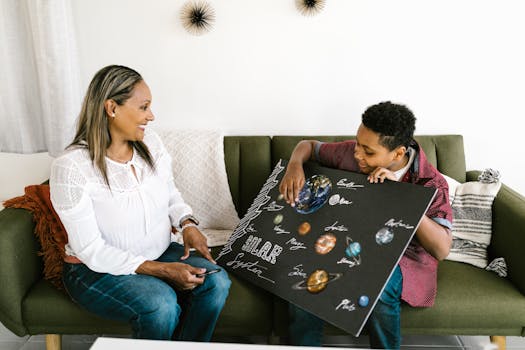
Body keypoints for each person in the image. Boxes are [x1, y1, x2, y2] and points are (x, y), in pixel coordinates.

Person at [50, 65, 231, 341]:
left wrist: (187, 224)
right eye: (144, 107)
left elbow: (170, 192)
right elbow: (91, 250)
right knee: (160, 304)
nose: (151, 116)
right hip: (93, 270)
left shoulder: (152, 144)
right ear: (112, 108)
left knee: (216, 281)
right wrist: (162, 270)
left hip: (156, 252)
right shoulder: (72, 167)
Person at [279, 101, 453, 349]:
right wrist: (294, 166)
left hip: (403, 258)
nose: (358, 154)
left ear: (397, 153)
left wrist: (403, 195)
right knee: (302, 277)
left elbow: (442, 249)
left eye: (368, 152)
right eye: (358, 144)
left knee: (378, 283)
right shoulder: (350, 152)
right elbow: (307, 146)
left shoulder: (431, 182)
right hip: (350, 240)